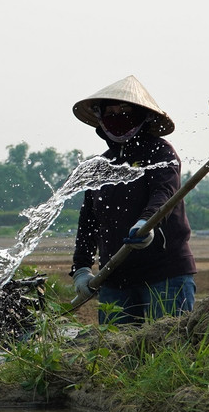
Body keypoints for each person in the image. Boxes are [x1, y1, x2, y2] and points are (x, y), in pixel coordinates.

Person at [69, 75, 197, 325]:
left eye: (125, 110)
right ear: (101, 117)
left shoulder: (160, 153)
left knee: (171, 348)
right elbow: (88, 222)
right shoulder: (99, 167)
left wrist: (145, 223)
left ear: (142, 116)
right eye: (111, 111)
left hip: (165, 275)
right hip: (115, 280)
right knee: (115, 356)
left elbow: (164, 193)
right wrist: (81, 268)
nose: (117, 116)